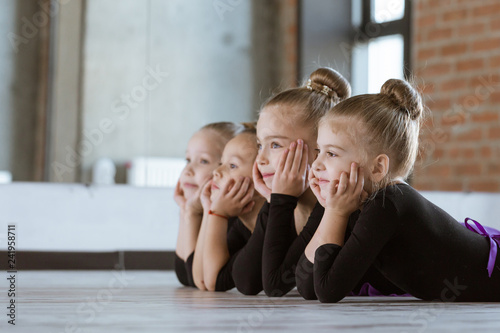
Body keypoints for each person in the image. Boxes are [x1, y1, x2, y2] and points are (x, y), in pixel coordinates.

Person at [301, 78, 500, 303]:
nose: (316, 164)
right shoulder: (360, 203)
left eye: (331, 153)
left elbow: (328, 291)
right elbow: (307, 286)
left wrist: (334, 213)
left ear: (378, 167)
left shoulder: (388, 203)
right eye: (318, 151)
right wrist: (331, 210)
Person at [193, 125, 266, 291]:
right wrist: (208, 209)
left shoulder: (272, 223)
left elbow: (215, 282)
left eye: (232, 165)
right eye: (221, 163)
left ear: (263, 176)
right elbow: (202, 280)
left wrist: (218, 213)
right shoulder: (242, 224)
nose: (217, 172)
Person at [174, 122, 243, 287]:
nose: (187, 170)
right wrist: (186, 210)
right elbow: (183, 274)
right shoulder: (200, 207)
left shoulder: (235, 218)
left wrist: (190, 212)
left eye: (203, 161)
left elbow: (196, 279)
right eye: (188, 159)